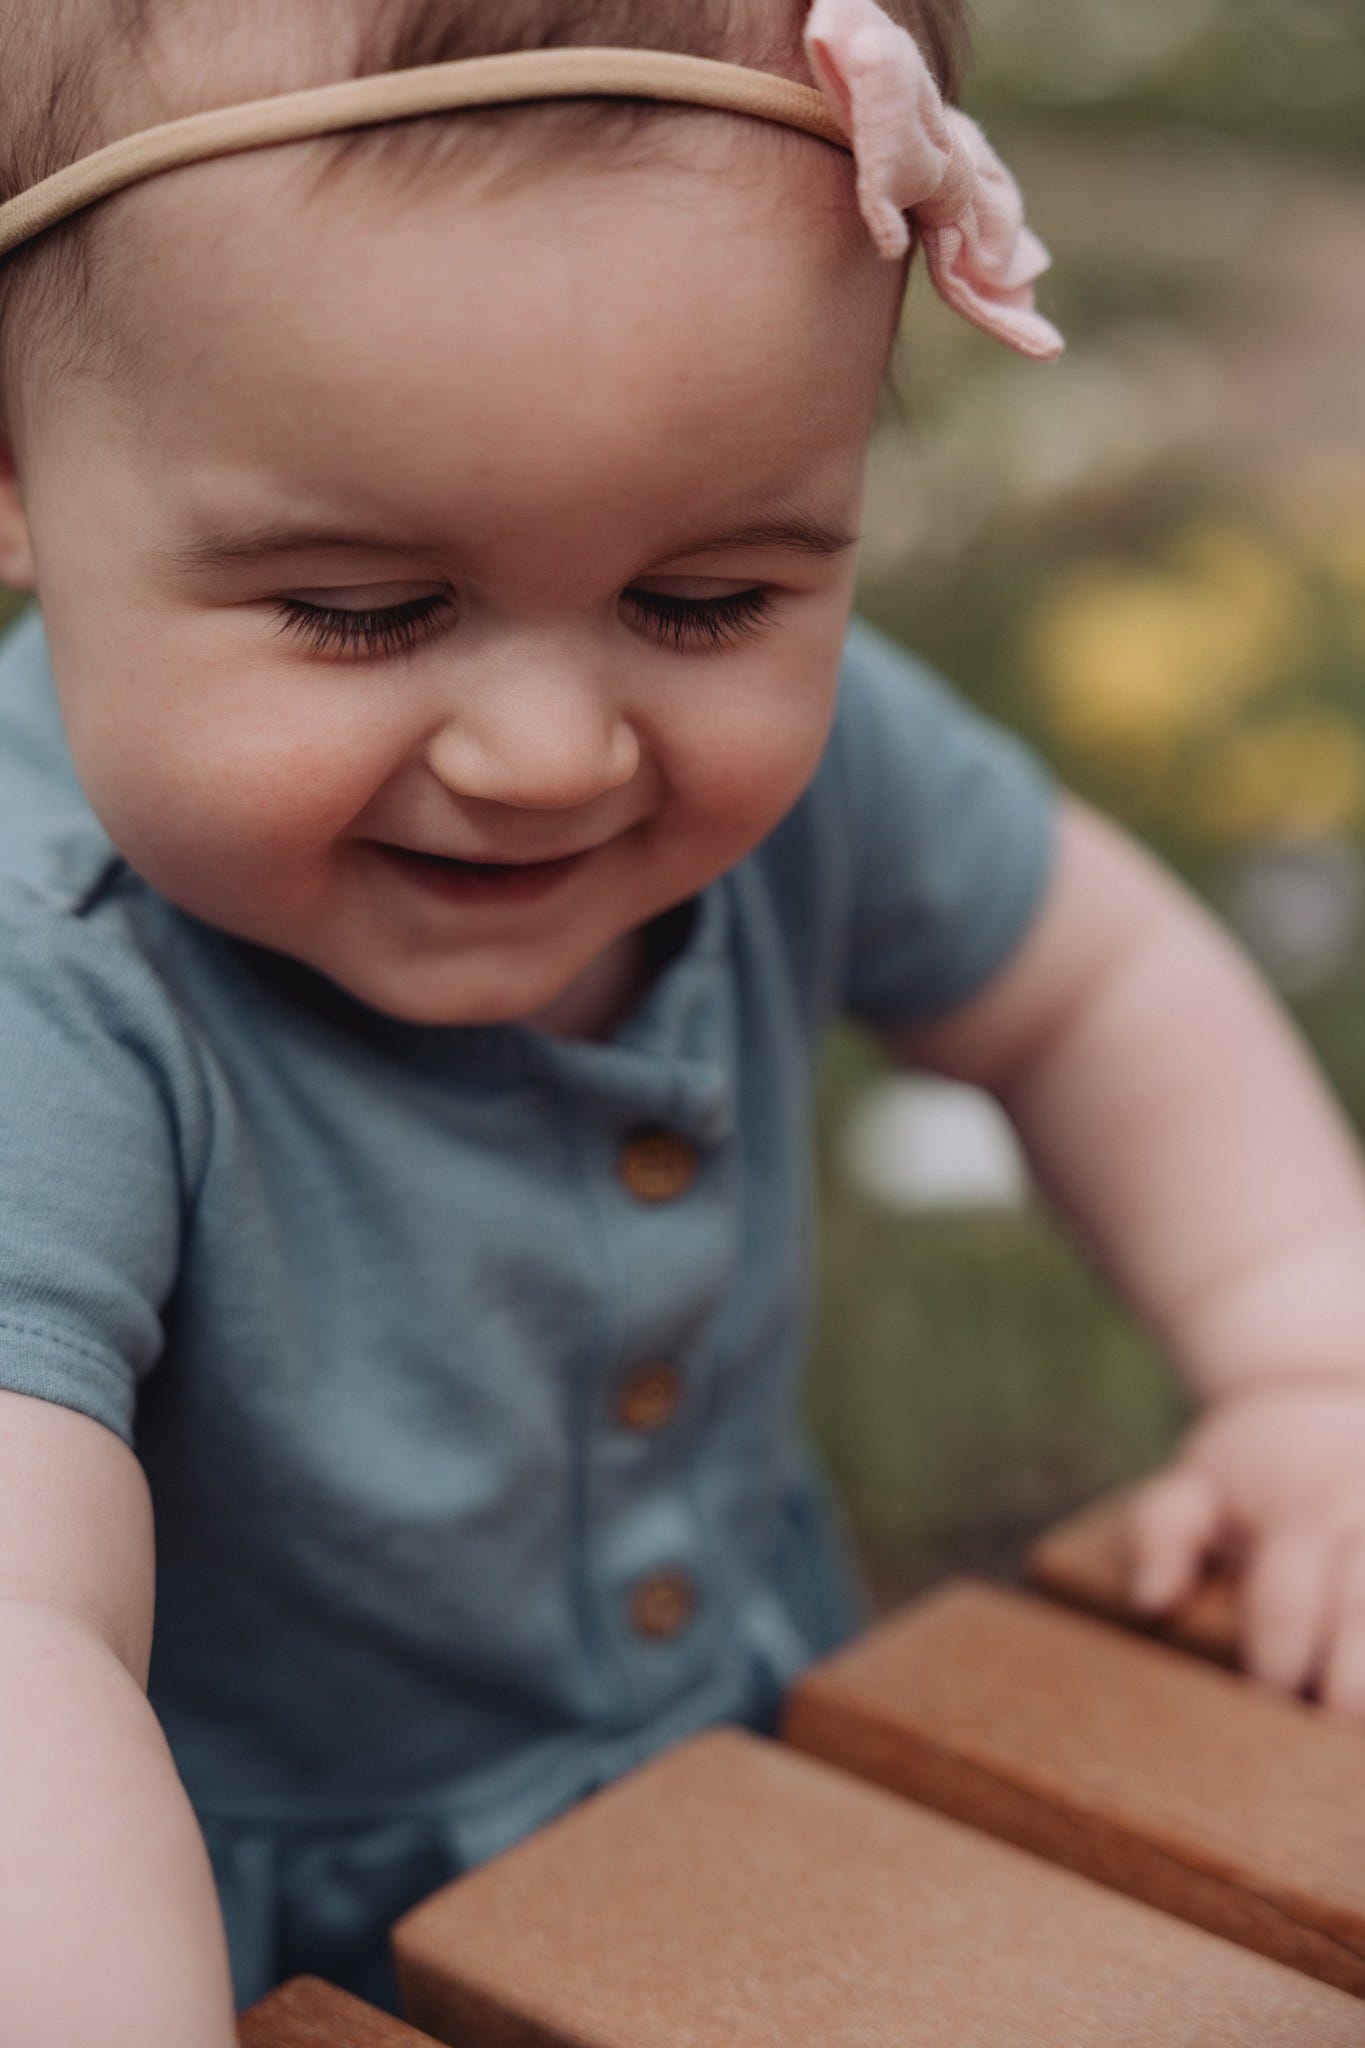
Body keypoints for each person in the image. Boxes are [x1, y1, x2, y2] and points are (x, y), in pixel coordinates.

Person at [1, 0, 1364, 2037]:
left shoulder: (815, 776)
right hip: (249, 1938)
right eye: (365, 608)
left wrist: (1302, 1360)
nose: (551, 749)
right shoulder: (58, 978)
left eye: (707, 599)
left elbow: (1089, 980)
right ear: (16, 484)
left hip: (772, 1812)